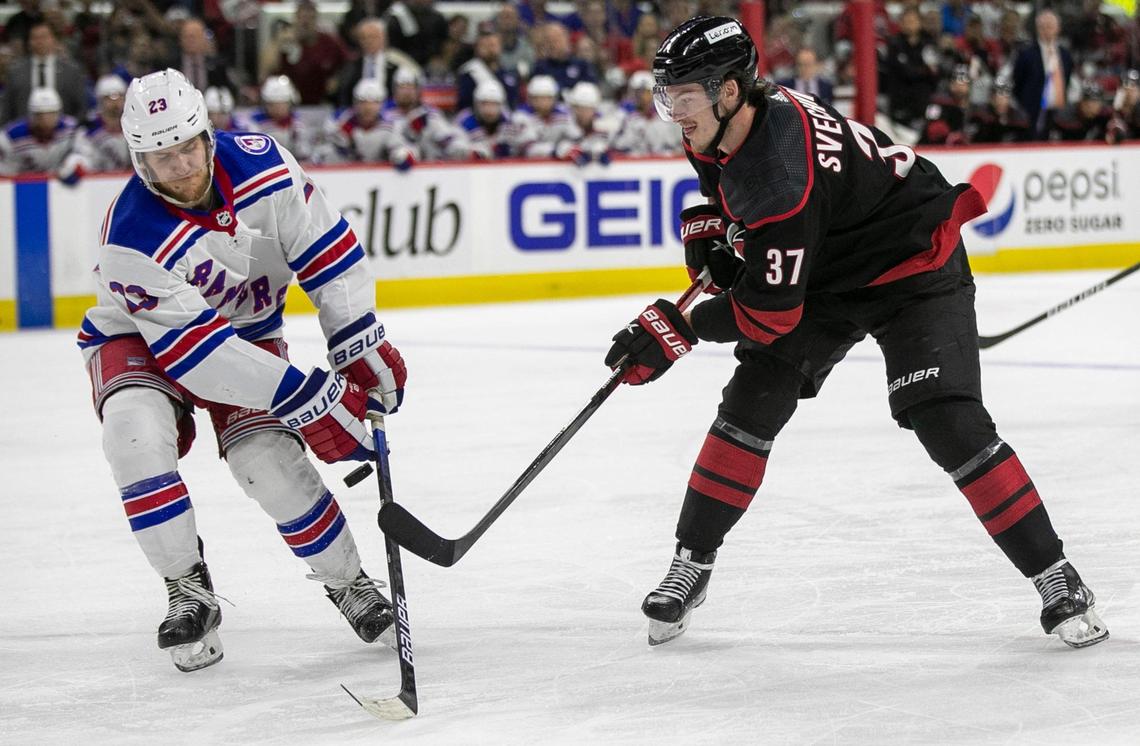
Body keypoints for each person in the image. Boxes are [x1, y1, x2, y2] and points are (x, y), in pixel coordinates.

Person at [605, 17, 1109, 650]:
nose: (673, 111)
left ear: (730, 90)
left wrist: (679, 328)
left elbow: (768, 313)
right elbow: (723, 182)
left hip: (911, 266)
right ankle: (692, 563)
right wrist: (712, 221)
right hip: (826, 265)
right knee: (753, 401)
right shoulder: (720, 121)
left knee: (946, 420)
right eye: (667, 94)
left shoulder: (782, 173)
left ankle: (1057, 576)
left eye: (683, 95)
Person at [77, 69, 408, 672]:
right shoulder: (129, 237)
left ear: (207, 134)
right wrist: (309, 394)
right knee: (133, 437)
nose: (177, 168)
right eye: (158, 157)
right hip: (139, 341)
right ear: (137, 159)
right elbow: (197, 355)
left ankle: (349, 583)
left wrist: (356, 341)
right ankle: (187, 588)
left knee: (270, 464)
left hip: (246, 333)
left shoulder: (266, 168)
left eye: (185, 148)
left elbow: (327, 251)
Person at [1012, 9, 1073, 139]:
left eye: (1050, 26)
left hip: (1057, 111)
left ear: (1058, 29)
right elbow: (1018, 81)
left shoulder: (1065, 54)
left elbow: (1067, 78)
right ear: (1037, 29)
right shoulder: (1026, 54)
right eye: (1043, 27)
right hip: (1033, 111)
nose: (1047, 30)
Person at [0, 87, 81, 177]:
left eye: (51, 114)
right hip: (24, 185)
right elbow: (4, 172)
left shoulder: (71, 129)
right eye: (40, 115)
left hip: (62, 184)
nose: (46, 121)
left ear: (59, 113)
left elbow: (84, 155)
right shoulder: (11, 136)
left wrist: (74, 162)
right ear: (31, 115)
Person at [247, 75, 314, 163]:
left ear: (291, 103)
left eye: (282, 103)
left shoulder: (299, 123)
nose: (278, 108)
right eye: (273, 104)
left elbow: (306, 154)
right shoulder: (254, 123)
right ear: (265, 104)